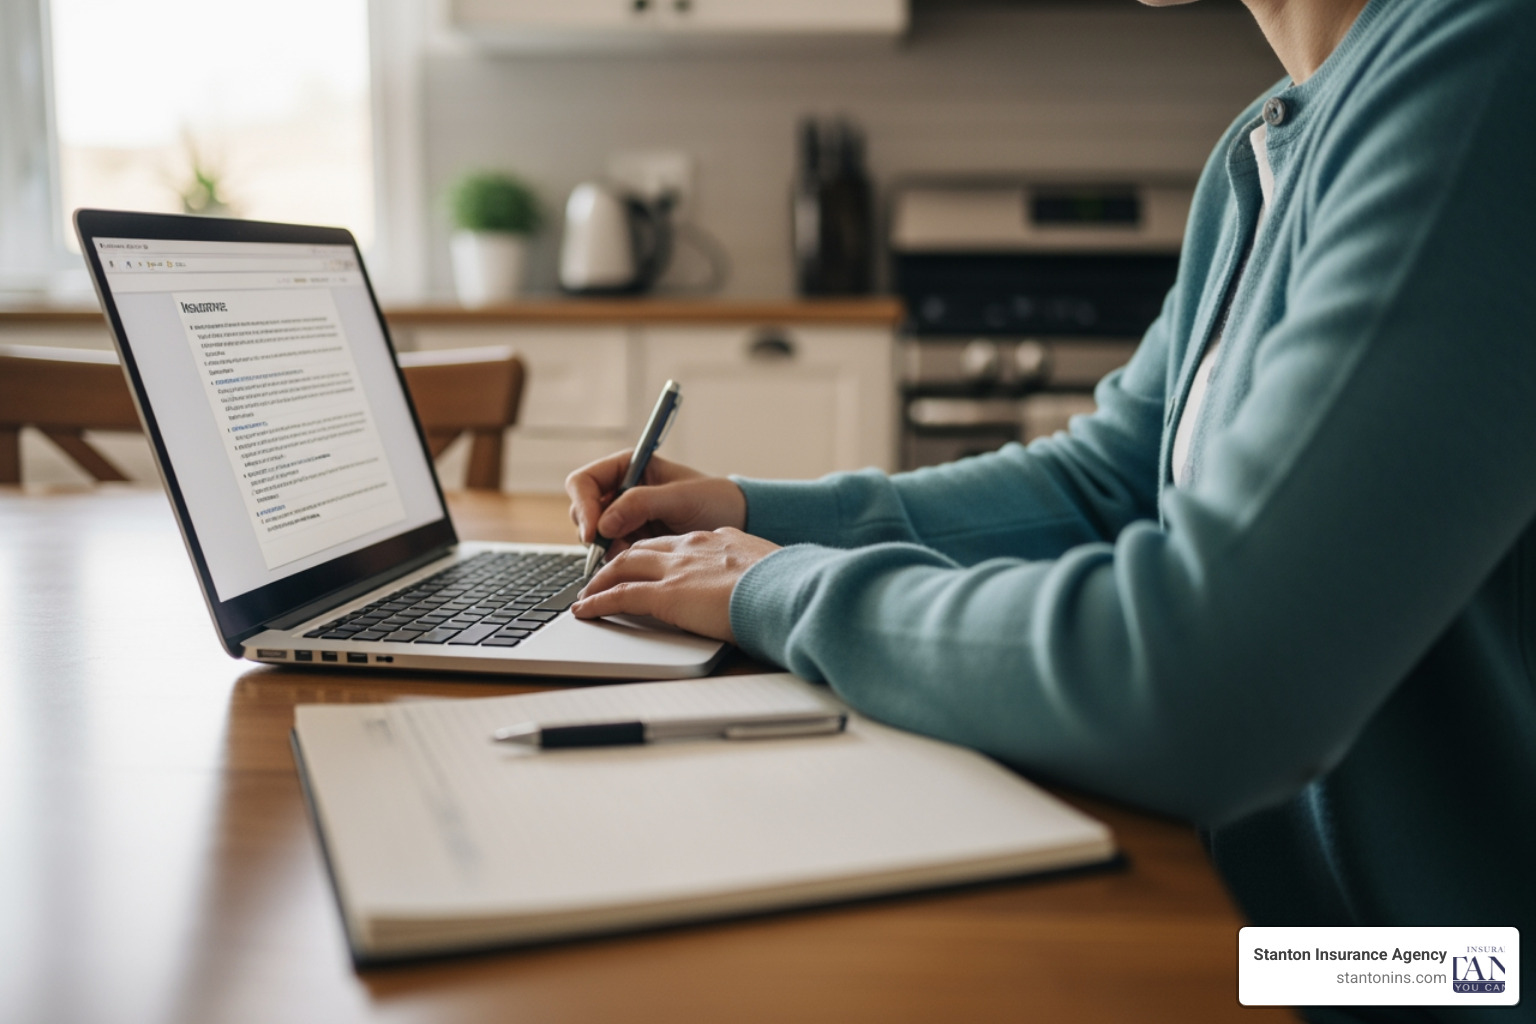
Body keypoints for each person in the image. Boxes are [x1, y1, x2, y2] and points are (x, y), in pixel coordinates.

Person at [567, 1, 1535, 1016]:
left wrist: (780, 586)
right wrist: (744, 513)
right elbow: (1108, 486)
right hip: (1281, 936)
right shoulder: (1270, 144)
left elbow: (1207, 678)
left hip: (1450, 974)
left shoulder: (1488, 62)